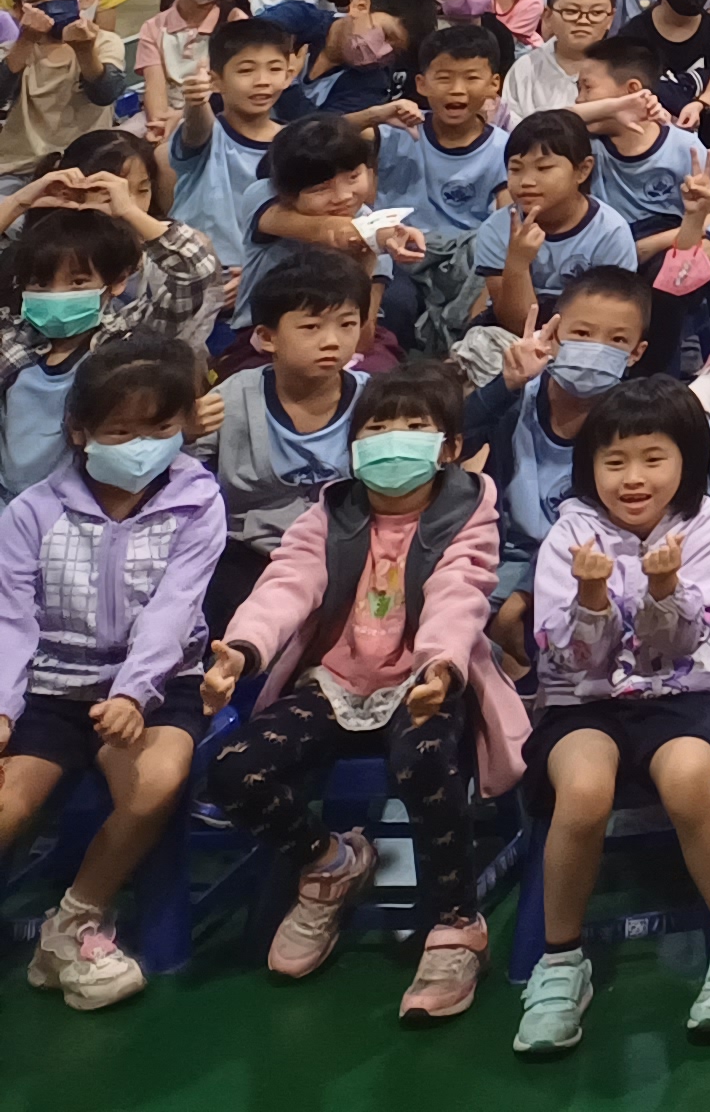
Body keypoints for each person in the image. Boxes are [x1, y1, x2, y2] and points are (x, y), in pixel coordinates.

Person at [198, 355, 524, 1022]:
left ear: (449, 448)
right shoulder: (331, 510)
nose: (392, 440)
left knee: (424, 761)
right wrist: (244, 648)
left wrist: (438, 668)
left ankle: (457, 923)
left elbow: (460, 591)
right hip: (334, 680)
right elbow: (288, 582)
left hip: (427, 681)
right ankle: (329, 863)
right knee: (231, 767)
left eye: (414, 427)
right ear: (352, 444)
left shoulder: (467, 508)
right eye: (376, 428)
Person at [517, 376, 710, 1053]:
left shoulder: (704, 525)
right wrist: (592, 596)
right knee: (583, 790)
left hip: (679, 697)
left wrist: (663, 585)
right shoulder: (570, 533)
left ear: (686, 460)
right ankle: (561, 961)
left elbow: (680, 646)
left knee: (689, 777)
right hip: (582, 703)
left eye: (654, 458)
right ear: (590, 465)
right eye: (614, 460)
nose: (633, 477)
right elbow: (570, 656)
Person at [0, 334, 222, 1009]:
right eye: (120, 432)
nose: (141, 446)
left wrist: (133, 692)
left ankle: (72, 924)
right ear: (80, 431)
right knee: (9, 805)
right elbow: (12, 620)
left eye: (159, 429)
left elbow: (174, 608)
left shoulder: (198, 501)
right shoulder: (32, 512)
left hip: (158, 685)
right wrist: (3, 707)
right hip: (52, 686)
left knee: (155, 783)